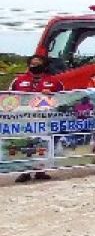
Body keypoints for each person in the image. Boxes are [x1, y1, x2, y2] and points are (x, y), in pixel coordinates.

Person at [11, 53, 64, 182]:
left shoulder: (54, 81)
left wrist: (51, 95)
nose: (34, 65)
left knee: (42, 143)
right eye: (32, 63)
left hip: (45, 119)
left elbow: (63, 98)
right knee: (26, 144)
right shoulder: (18, 81)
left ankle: (40, 170)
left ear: (44, 65)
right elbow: (9, 98)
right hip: (25, 119)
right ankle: (25, 171)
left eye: (37, 63)